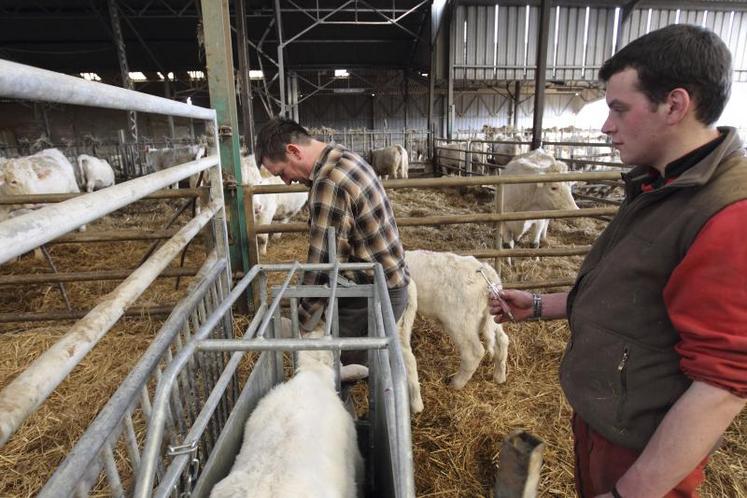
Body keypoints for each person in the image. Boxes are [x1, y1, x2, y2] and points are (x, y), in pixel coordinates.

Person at [490, 24, 746, 498]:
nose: (607, 126)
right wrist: (543, 305)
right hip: (607, 420)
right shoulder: (659, 183)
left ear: (674, 105)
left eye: (618, 109)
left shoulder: (729, 213)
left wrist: (633, 491)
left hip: (648, 450)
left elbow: (721, 386)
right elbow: (632, 293)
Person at [254, 117, 410, 357]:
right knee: (355, 369)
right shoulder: (342, 155)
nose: (285, 181)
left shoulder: (328, 182)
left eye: (282, 172)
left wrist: (301, 322)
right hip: (385, 282)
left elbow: (324, 263)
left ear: (294, 151)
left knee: (332, 369)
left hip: (371, 296)